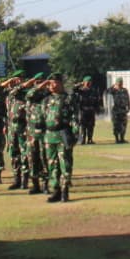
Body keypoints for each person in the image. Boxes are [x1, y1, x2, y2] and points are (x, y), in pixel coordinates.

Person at [42, 73, 77, 202]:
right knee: (52, 165)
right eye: (49, 83)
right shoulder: (46, 100)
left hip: (63, 134)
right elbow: (43, 117)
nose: (51, 85)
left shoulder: (68, 99)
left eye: (54, 82)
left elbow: (74, 118)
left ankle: (64, 191)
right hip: (49, 136)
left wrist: (75, 136)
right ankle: (55, 190)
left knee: (65, 164)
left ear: (61, 83)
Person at [2, 71, 30, 189]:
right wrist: (6, 125)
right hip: (11, 127)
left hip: (23, 126)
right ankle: (16, 179)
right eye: (15, 80)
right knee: (14, 154)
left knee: (24, 153)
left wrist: (23, 86)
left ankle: (25, 179)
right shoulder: (10, 95)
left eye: (19, 79)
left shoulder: (26, 93)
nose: (17, 82)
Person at [73, 76, 103, 145]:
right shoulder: (81, 90)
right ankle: (82, 140)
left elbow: (96, 101)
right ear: (84, 82)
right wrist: (80, 84)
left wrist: (97, 109)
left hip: (91, 111)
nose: (89, 83)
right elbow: (74, 89)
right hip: (83, 111)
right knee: (83, 126)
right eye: (87, 82)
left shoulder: (93, 91)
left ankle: (90, 139)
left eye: (90, 82)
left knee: (91, 126)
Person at [109, 77, 130, 144]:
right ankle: (117, 139)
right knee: (116, 125)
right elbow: (107, 91)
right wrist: (113, 86)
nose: (120, 84)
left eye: (121, 82)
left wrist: (129, 106)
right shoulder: (114, 90)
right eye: (119, 82)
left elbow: (128, 98)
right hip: (116, 110)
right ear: (116, 83)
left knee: (123, 125)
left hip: (123, 110)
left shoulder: (125, 90)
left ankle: (122, 139)